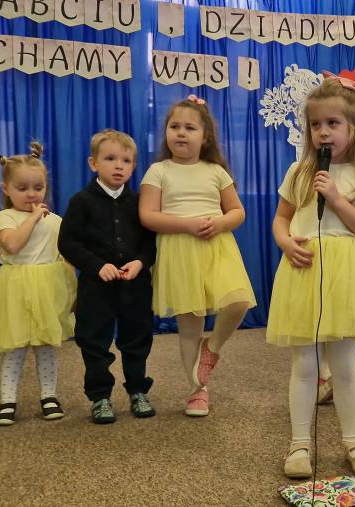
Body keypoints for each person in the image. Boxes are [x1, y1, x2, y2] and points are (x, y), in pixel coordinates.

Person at [267, 76, 355, 479]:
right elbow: (281, 219)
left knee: (346, 364)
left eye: (333, 123)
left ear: (353, 128)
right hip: (305, 271)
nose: (323, 131)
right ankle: (299, 443)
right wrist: (285, 242)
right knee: (305, 363)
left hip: (348, 276)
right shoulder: (299, 171)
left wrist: (336, 198)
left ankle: (354, 441)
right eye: (316, 124)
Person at [139, 95, 256, 417]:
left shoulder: (215, 171)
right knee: (190, 327)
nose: (181, 132)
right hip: (179, 250)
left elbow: (237, 212)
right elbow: (148, 216)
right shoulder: (158, 170)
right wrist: (187, 225)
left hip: (217, 246)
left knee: (239, 301)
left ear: (205, 137)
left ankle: (212, 347)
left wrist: (218, 223)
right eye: (174, 126)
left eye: (190, 128)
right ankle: (197, 391)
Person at [59, 129, 157, 424]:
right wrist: (96, 265)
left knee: (137, 339)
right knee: (94, 342)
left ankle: (138, 391)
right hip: (95, 288)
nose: (118, 166)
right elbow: (68, 243)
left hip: (135, 287)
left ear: (133, 166)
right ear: (93, 163)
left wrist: (140, 262)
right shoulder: (81, 201)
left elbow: (150, 243)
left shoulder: (139, 202)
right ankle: (100, 397)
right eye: (110, 159)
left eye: (126, 161)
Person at [0, 142, 77, 426]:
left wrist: (72, 294)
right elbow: (12, 245)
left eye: (38, 187)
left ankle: (49, 396)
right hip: (16, 289)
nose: (32, 194)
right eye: (22, 188)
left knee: (46, 347)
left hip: (48, 289)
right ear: (6, 188)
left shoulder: (56, 221)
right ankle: (7, 401)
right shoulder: (5, 217)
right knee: (15, 349)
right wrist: (34, 218)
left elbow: (66, 257)